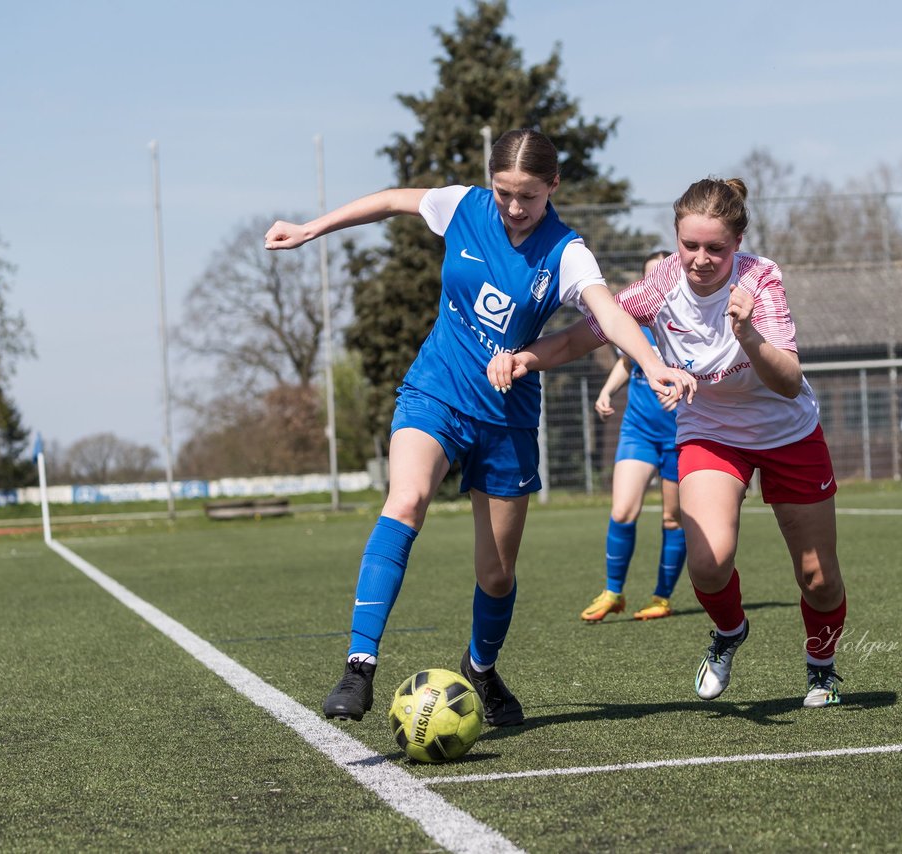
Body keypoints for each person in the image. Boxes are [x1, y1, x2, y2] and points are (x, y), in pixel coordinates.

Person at [264, 129, 694, 726]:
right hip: (435, 391)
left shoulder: (565, 252)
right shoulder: (462, 206)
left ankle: (481, 670)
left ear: (553, 188)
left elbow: (608, 313)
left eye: (529, 196)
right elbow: (391, 199)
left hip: (508, 417)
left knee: (496, 573)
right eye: (504, 193)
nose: (514, 207)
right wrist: (312, 229)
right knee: (406, 499)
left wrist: (652, 363)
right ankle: (359, 667)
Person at [488, 177, 848, 708]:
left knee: (818, 578)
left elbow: (790, 380)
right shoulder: (660, 286)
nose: (701, 259)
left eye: (716, 248)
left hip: (787, 432)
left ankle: (822, 668)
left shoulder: (761, 281)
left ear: (738, 244)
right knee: (708, 562)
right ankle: (729, 633)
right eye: (690, 246)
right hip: (710, 431)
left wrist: (749, 334)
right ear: (676, 239)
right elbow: (580, 335)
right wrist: (523, 359)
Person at [580, 250, 687, 622]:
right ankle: (613, 592)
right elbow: (628, 360)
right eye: (649, 278)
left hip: (682, 436)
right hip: (638, 429)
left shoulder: (692, 323)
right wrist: (607, 390)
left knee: (673, 519)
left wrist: (689, 394)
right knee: (623, 509)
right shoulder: (635, 319)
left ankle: (661, 597)